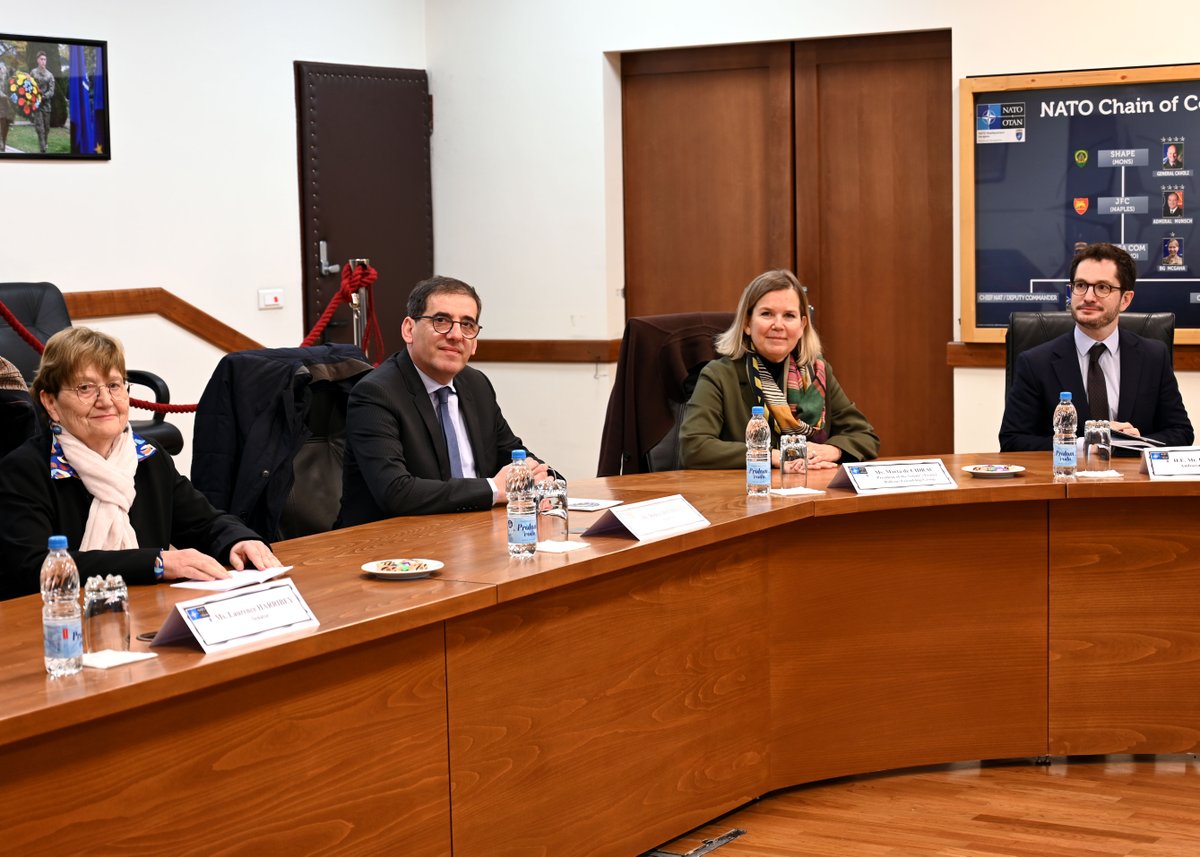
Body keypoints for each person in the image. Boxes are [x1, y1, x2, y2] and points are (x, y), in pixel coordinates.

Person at [0, 327, 279, 600]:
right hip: (55, 626)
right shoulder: (24, 470)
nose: (106, 401)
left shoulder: (147, 456)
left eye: (114, 385)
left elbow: (204, 522)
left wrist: (238, 540)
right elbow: (34, 568)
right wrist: (155, 563)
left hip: (144, 613)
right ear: (50, 403)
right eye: (85, 388)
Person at [338, 275, 549, 525]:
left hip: (471, 532)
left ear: (474, 343)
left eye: (467, 325)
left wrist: (545, 481)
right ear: (409, 329)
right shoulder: (375, 393)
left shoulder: (476, 384)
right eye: (441, 321)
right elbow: (396, 492)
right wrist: (493, 488)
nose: (456, 335)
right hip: (391, 548)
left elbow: (513, 455)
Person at [679, 269, 879, 471]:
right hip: (747, 493)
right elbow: (693, 447)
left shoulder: (818, 373)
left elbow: (864, 435)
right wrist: (772, 456)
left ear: (802, 326)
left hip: (812, 492)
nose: (778, 325)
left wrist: (831, 450)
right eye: (767, 314)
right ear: (747, 323)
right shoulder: (719, 375)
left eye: (789, 316)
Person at [999, 242, 1193, 451]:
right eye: (1081, 285)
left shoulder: (1153, 357)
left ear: (1125, 299)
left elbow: (1181, 432)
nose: (1088, 297)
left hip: (1132, 480)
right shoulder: (1035, 363)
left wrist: (1138, 442)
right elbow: (1012, 442)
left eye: (1102, 287)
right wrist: (1083, 445)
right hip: (1066, 479)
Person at [29, 50, 55, 154]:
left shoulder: (50, 75)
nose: (43, 61)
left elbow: (52, 91)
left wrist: (42, 96)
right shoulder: (33, 72)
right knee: (40, 128)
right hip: (37, 105)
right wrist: (33, 97)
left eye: (45, 59)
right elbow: (29, 86)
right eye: (41, 59)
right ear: (37, 60)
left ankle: (44, 143)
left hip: (46, 105)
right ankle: (42, 149)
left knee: (46, 128)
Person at [0, 54, 14, 153]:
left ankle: (3, 145)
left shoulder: (5, 69)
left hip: (6, 106)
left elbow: (10, 84)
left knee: (5, 125)